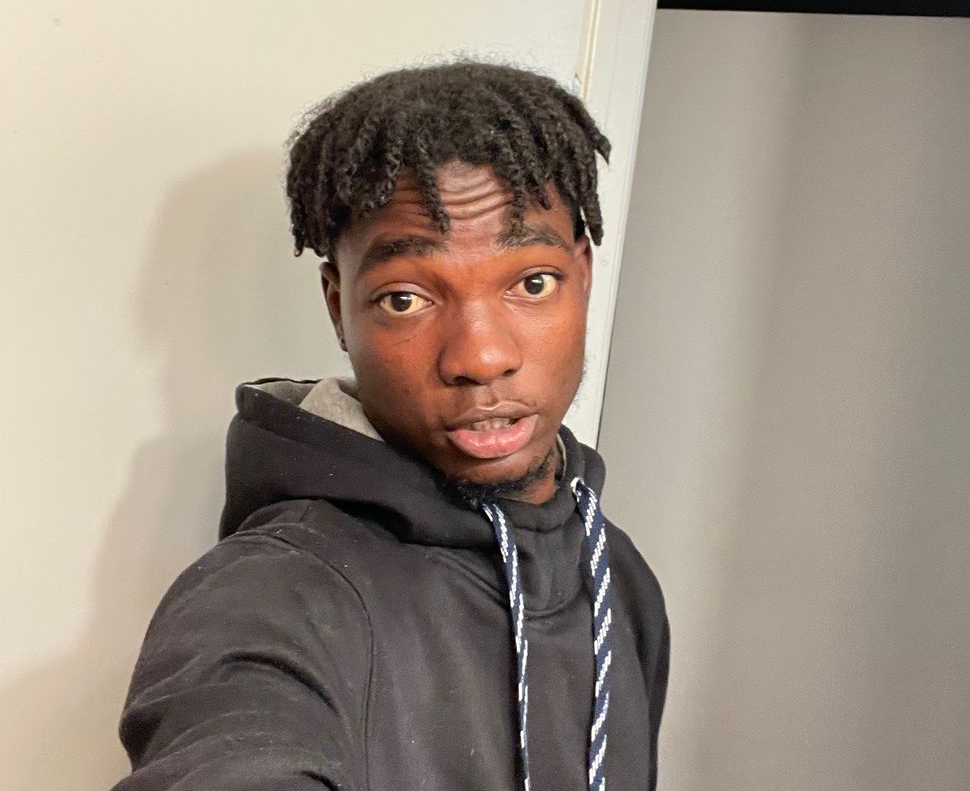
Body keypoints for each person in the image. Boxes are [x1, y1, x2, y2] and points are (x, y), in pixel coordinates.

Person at [115, 62, 669, 790]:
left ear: (583, 277)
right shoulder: (274, 592)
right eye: (405, 298)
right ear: (338, 308)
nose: (481, 357)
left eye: (532, 283)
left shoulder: (617, 577)